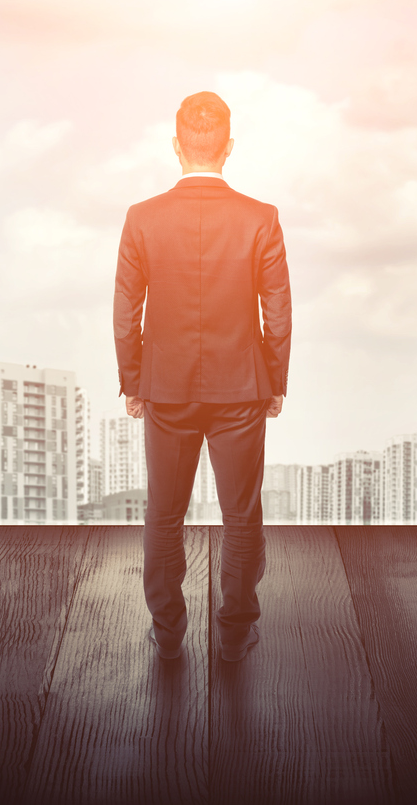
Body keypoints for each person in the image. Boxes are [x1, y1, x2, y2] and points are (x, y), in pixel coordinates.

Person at [114, 91, 291, 663]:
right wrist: (276, 380)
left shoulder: (141, 218)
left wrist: (134, 380)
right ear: (229, 147)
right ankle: (235, 634)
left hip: (164, 388)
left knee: (164, 515)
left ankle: (168, 637)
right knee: (241, 515)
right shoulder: (261, 218)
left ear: (176, 145)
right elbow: (278, 309)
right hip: (242, 386)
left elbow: (125, 310)